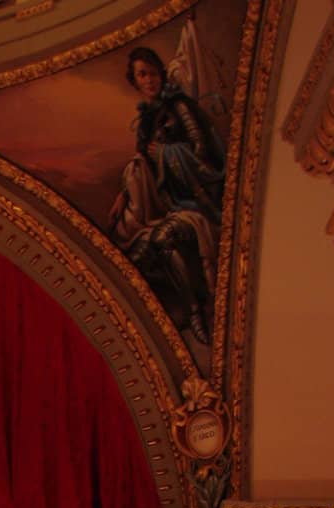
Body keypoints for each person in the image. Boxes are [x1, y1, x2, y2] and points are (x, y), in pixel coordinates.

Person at [108, 46, 225, 346]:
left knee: (163, 238)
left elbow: (203, 153)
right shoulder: (147, 121)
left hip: (195, 202)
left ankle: (199, 312)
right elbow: (141, 164)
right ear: (135, 82)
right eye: (142, 75)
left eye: (152, 72)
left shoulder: (180, 107)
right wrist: (124, 194)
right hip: (165, 205)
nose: (149, 80)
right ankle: (172, 319)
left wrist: (166, 154)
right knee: (134, 256)